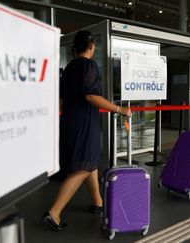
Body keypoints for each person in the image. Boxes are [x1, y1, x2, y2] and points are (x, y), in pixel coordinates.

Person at [42, 30, 131, 232]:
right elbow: (91, 96)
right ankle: (54, 212)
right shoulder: (88, 66)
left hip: (70, 121)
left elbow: (61, 101)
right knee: (82, 167)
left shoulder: (69, 68)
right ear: (91, 46)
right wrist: (120, 109)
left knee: (89, 161)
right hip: (84, 123)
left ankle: (97, 201)